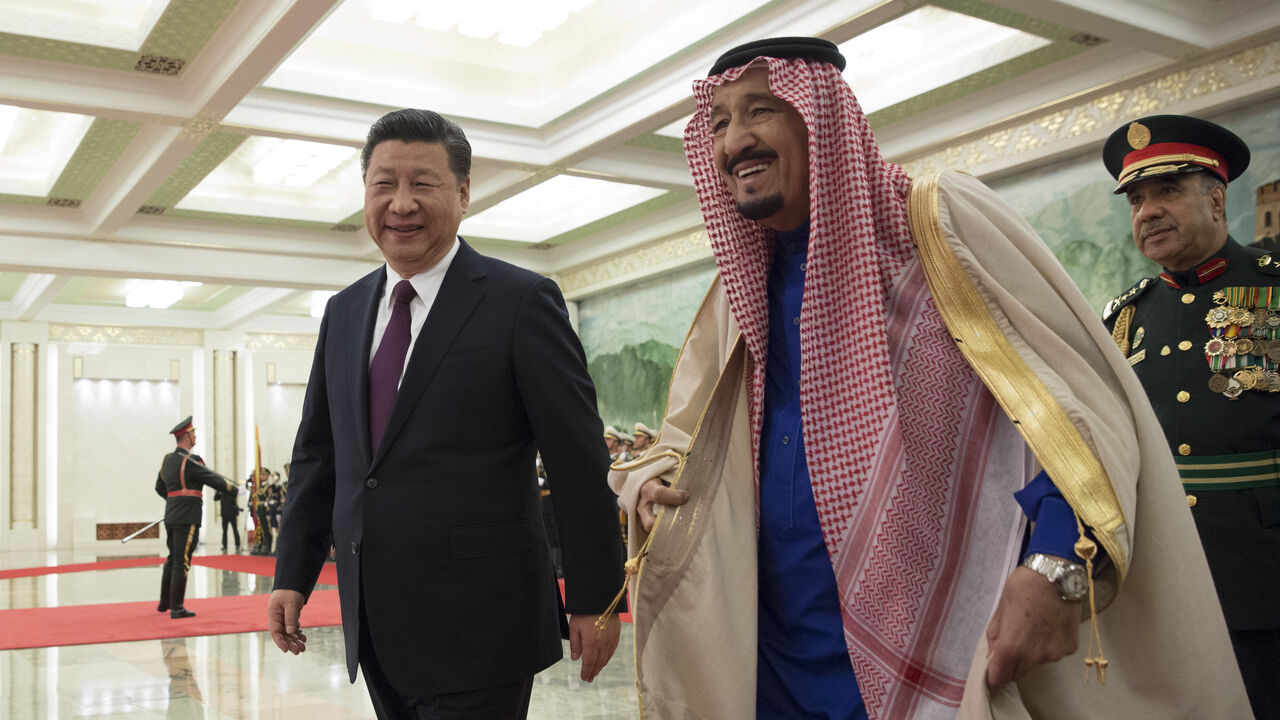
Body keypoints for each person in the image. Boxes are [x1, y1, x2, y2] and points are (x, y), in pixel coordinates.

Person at [609, 37, 1249, 718]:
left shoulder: (941, 226)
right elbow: (687, 436)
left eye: (760, 110)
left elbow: (1084, 408)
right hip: (773, 655)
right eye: (719, 122)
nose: (734, 140)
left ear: (818, 117)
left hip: (938, 635)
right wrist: (650, 482)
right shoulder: (737, 292)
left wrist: (1057, 565)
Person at [266, 108, 624, 720]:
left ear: (462, 194)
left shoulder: (520, 302)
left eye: (422, 184)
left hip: (481, 622)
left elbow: (576, 458)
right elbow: (319, 454)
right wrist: (292, 572)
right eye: (384, 184)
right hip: (375, 618)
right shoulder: (345, 311)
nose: (400, 203)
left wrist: (595, 597)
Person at [1101, 113, 1280, 719]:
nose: (1148, 211)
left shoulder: (1274, 292)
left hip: (1265, 581)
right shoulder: (1126, 318)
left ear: (1218, 198)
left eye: (1168, 191)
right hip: (1166, 577)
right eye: (1137, 199)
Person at [154, 416, 236, 619]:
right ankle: (177, 607)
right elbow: (212, 479)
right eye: (194, 433)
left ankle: (165, 603)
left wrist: (173, 502)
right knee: (182, 560)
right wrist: (235, 490)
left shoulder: (168, 460)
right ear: (187, 436)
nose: (196, 436)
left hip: (172, 515)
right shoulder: (190, 461)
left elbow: (159, 487)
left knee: (172, 558)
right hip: (187, 516)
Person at [214, 479, 241, 554]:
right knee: (224, 531)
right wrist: (219, 490)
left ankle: (237, 544)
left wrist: (230, 487)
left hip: (232, 514)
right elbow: (215, 498)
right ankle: (224, 545)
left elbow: (237, 491)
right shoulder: (222, 492)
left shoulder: (232, 491)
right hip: (224, 514)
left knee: (235, 529)